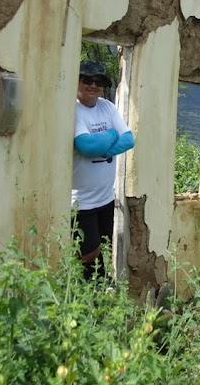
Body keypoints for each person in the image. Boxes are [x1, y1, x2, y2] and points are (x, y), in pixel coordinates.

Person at [72, 59, 135, 280]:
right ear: (77, 81)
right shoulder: (72, 109)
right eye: (87, 80)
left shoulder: (107, 107)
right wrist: (110, 136)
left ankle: (94, 293)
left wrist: (103, 149)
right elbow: (86, 146)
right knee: (88, 254)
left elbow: (128, 140)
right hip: (81, 202)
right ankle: (91, 293)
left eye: (99, 81)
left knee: (101, 247)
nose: (93, 85)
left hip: (105, 199)